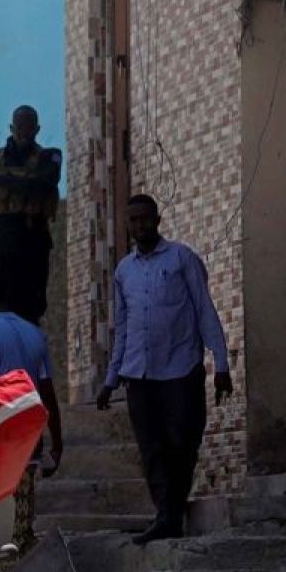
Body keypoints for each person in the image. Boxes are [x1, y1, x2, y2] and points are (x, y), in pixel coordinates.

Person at [96, 194, 231, 545]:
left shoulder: (182, 258)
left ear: (157, 219)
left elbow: (204, 310)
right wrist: (110, 380)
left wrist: (222, 364)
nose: (139, 226)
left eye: (145, 218)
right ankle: (166, 516)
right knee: (151, 447)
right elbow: (123, 327)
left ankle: (172, 510)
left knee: (182, 441)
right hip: (139, 373)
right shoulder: (124, 271)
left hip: (181, 368)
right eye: (133, 220)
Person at [0, 273, 63, 552]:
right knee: (22, 507)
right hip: (27, 433)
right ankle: (19, 555)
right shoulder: (34, 334)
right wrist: (57, 441)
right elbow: (47, 392)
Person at [0, 105, 62, 325]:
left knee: (28, 307)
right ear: (11, 127)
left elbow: (41, 185)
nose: (23, 132)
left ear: (37, 129)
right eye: (19, 127)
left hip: (31, 239)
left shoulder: (50, 157)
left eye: (28, 127)